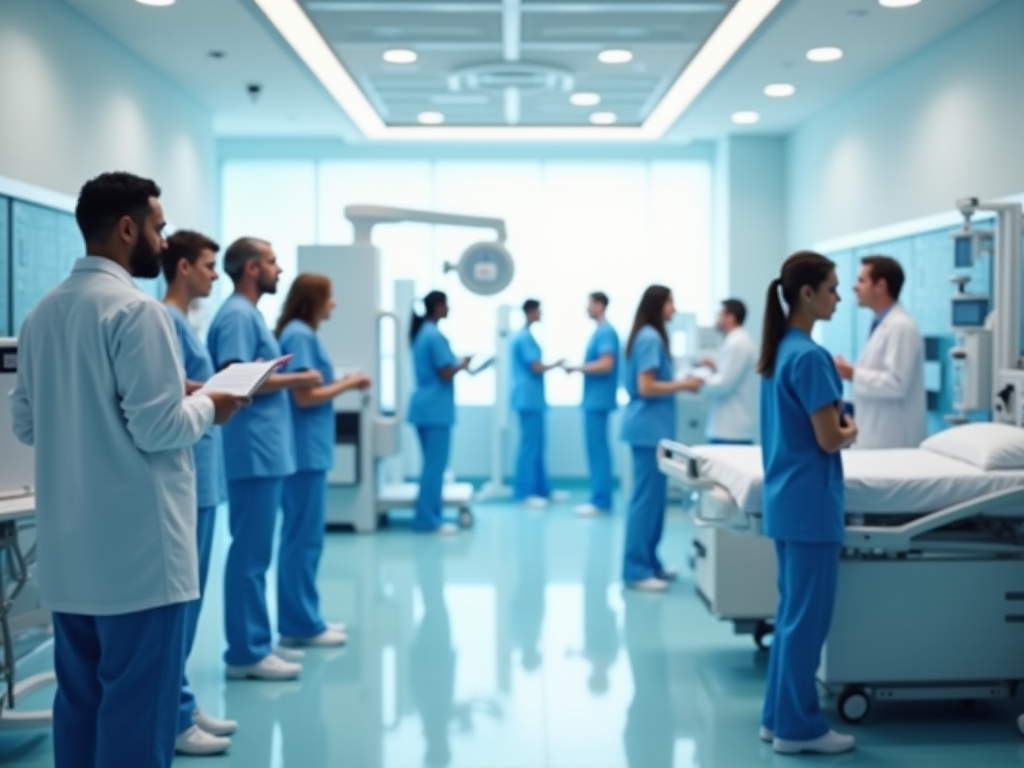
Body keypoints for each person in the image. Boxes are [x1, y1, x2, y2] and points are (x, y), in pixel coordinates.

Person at [9, 172, 247, 768]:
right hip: (139, 562)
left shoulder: (42, 314)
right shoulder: (137, 313)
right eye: (159, 228)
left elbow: (28, 426)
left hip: (70, 560)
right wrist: (211, 405)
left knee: (82, 708)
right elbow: (159, 428)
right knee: (137, 722)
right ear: (125, 228)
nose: (164, 243)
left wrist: (165, 397)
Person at [207, 238, 323, 680]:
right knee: (250, 555)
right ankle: (246, 652)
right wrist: (293, 378)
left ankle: (257, 641)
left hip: (265, 451)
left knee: (257, 553)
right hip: (253, 451)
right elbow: (235, 381)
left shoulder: (248, 314)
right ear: (252, 268)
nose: (280, 270)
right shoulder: (238, 314)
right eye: (273, 262)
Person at [758, 251, 858, 756]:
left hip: (785, 500)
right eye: (833, 288)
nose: (839, 297)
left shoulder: (780, 351)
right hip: (811, 504)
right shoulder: (811, 358)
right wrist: (851, 429)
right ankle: (799, 730)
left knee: (791, 615)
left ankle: (777, 719)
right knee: (807, 620)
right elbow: (828, 439)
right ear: (807, 294)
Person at [161, 230, 238, 757]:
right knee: (181, 607)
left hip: (204, 477)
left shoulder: (185, 323)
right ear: (183, 266)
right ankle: (173, 715)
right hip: (188, 477)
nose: (216, 273)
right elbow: (165, 397)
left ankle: (181, 702)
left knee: (192, 600)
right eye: (209, 265)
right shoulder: (163, 320)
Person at [275, 274, 371, 647]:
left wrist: (344, 380)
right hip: (304, 453)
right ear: (313, 299)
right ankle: (300, 625)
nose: (334, 304)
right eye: (330, 297)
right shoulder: (299, 334)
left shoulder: (300, 333)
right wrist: (349, 384)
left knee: (305, 538)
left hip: (308, 450)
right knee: (303, 539)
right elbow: (305, 397)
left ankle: (305, 617)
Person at [620, 286, 701, 592]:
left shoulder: (648, 336)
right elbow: (646, 387)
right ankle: (636, 569)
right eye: (670, 302)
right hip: (647, 430)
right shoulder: (650, 338)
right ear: (658, 305)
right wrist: (683, 384)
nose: (674, 309)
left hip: (652, 429)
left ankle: (649, 561)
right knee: (645, 501)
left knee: (654, 502)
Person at [833, 255, 925, 449]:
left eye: (861, 280)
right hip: (877, 437)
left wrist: (852, 373)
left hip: (894, 442)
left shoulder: (900, 327)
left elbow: (897, 384)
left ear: (880, 286)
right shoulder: (883, 324)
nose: (854, 286)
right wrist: (852, 371)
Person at [407, 291, 471, 535]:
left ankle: (430, 514)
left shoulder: (424, 332)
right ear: (437, 307)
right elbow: (445, 371)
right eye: (447, 304)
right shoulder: (433, 335)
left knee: (431, 466)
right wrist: (462, 365)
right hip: (434, 409)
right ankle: (427, 519)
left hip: (427, 407)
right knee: (434, 467)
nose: (449, 308)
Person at [565, 292, 620, 516]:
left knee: (598, 451)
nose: (586, 308)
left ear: (599, 304)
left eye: (589, 304)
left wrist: (577, 368)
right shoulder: (600, 332)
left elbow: (606, 364)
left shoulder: (606, 332)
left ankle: (600, 500)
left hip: (598, 400)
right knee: (597, 450)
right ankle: (600, 497)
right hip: (595, 399)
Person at [510, 299, 566, 509]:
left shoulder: (527, 336)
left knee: (538, 446)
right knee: (529, 447)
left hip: (533, 399)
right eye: (539, 310)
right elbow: (535, 366)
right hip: (527, 399)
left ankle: (543, 489)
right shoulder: (523, 337)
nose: (541, 314)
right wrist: (557, 364)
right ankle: (524, 492)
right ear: (531, 311)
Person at [682, 298, 758, 444]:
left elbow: (723, 384)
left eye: (719, 314)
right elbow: (729, 375)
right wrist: (716, 367)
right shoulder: (735, 340)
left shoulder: (738, 342)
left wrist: (694, 382)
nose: (716, 319)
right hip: (728, 428)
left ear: (731, 317)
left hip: (732, 431)